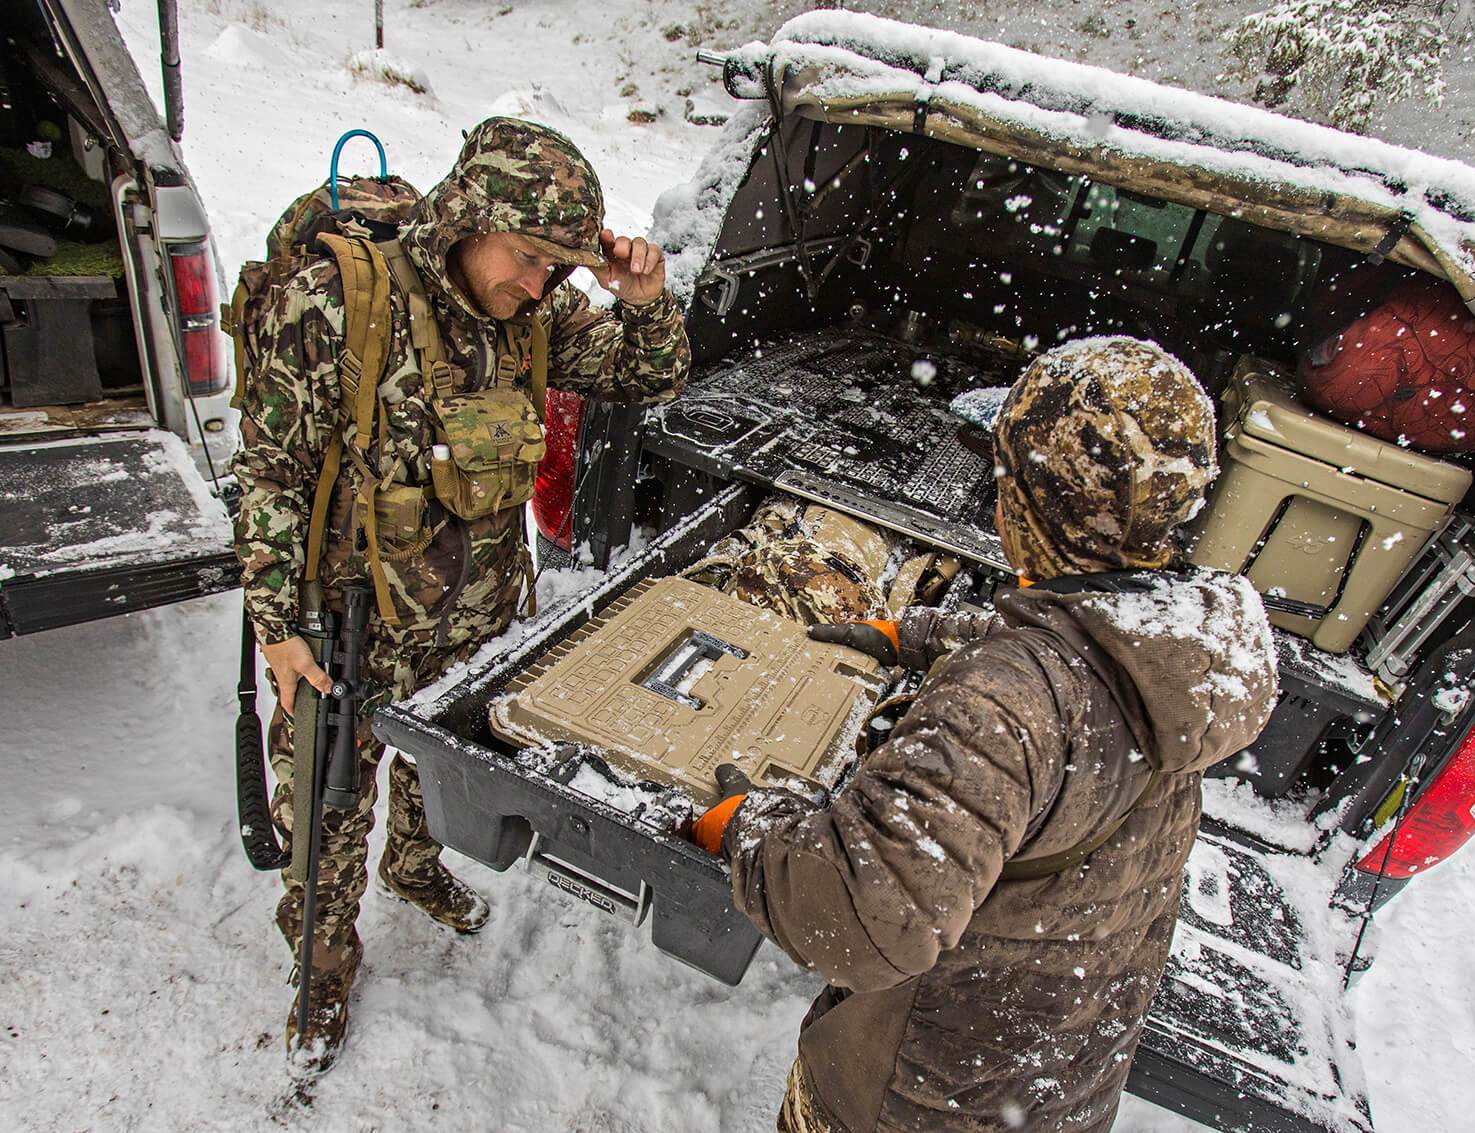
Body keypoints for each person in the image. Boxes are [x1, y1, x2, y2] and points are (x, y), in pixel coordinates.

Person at [692, 337, 1278, 1132]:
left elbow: (862, 922)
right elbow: (1080, 660)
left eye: (1004, 478)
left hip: (919, 1103)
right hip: (1054, 1087)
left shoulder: (1005, 705)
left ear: (1025, 506)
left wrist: (749, 831)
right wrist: (917, 636)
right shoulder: (1185, 643)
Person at [232, 116, 690, 1075]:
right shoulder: (339, 303)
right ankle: (322, 961)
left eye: (556, 267)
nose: (539, 283)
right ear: (467, 219)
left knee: (434, 769)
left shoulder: (536, 314)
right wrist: (277, 628)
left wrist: (642, 297)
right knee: (324, 805)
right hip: (347, 621)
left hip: (476, 612)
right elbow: (271, 471)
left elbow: (651, 374)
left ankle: (413, 865)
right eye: (527, 257)